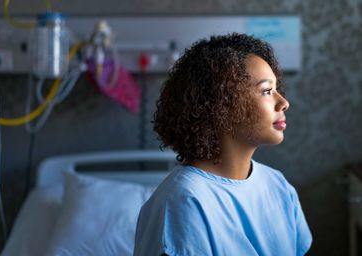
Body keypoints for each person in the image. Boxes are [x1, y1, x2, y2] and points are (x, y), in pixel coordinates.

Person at [133, 33, 312, 256]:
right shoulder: (184, 201)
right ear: (222, 104)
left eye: (277, 90)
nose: (284, 103)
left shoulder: (279, 186)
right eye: (267, 91)